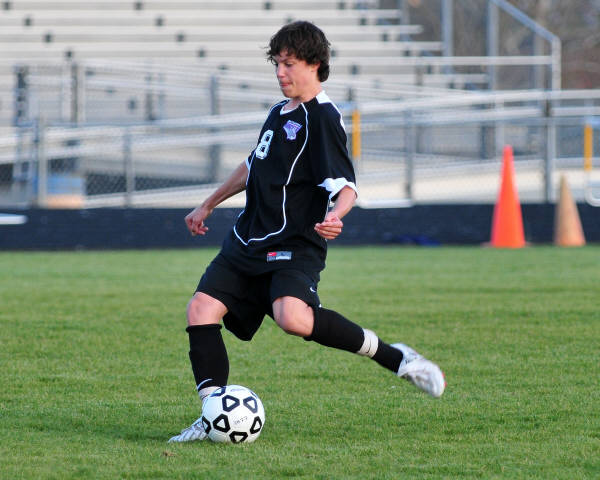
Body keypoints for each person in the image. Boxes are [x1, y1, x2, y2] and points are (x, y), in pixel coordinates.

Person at [168, 20, 445, 443]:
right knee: (200, 310)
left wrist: (336, 215)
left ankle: (396, 357)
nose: (280, 73)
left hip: (294, 243)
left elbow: (346, 185)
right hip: (248, 240)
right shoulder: (279, 112)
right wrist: (208, 203)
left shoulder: (323, 118)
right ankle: (211, 417)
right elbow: (253, 165)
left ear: (314, 64)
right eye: (277, 64)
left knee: (292, 318)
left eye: (289, 64)